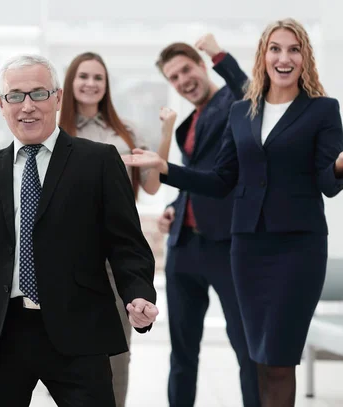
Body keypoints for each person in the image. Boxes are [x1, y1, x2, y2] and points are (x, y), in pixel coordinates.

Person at [0, 54, 158, 407]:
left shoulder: (99, 161)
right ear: (1, 105)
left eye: (38, 94)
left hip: (78, 329)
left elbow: (127, 243)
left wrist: (139, 292)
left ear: (57, 98)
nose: (28, 106)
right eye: (16, 96)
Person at [123, 19, 343, 407]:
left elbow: (327, 181)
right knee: (256, 358)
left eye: (293, 49)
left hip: (297, 248)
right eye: (275, 48)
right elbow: (221, 178)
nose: (284, 57)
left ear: (305, 57)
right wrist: (165, 168)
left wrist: (341, 165)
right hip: (245, 247)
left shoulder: (321, 110)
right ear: (264, 56)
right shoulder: (242, 112)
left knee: (277, 359)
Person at [58, 51, 175, 407]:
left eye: (98, 78)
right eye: (83, 76)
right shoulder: (56, 131)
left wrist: (166, 131)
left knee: (116, 349)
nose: (90, 84)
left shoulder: (126, 133)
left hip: (115, 254)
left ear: (106, 86)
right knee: (61, 349)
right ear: (70, 83)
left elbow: (152, 186)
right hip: (66, 253)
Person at [154, 34, 260, 406]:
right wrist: (176, 208)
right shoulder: (187, 124)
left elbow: (252, 91)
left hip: (228, 245)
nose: (183, 80)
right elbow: (198, 173)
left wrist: (219, 54)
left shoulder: (235, 102)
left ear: (201, 66)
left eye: (186, 69)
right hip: (184, 247)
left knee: (246, 348)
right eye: (173, 77)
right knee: (182, 352)